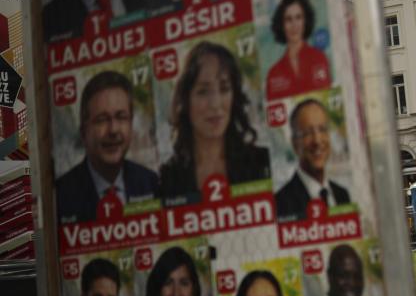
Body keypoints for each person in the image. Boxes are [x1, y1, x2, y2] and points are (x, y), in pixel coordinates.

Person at [159, 42, 270, 198]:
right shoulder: (168, 177)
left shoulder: (262, 162)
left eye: (224, 89)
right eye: (203, 91)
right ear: (185, 100)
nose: (215, 104)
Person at [55, 71, 159, 223]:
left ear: (131, 124)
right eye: (102, 120)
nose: (113, 130)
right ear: (84, 133)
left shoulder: (150, 183)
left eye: (121, 117)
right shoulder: (60, 195)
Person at [274, 99, 350, 221]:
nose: (317, 140)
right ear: (294, 144)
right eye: (308, 133)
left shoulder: (343, 195)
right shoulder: (281, 204)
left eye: (322, 129)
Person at [265, 0, 331, 100]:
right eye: (288, 19)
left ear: (305, 21)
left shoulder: (319, 58)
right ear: (282, 25)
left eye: (298, 17)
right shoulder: (274, 74)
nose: (294, 25)